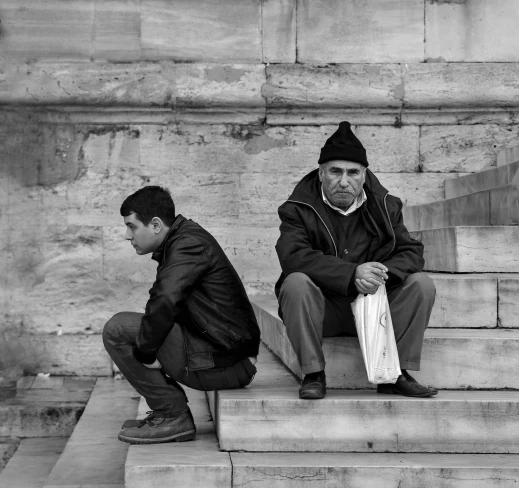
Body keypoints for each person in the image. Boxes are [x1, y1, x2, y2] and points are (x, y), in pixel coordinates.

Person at [275, 122, 437, 400]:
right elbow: (293, 257)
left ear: (364, 175)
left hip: (377, 307)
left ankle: (395, 373)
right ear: (321, 173)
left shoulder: (385, 205)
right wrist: (351, 274)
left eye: (353, 172)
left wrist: (378, 275)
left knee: (421, 284)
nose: (344, 181)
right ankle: (313, 373)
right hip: (325, 309)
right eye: (335, 171)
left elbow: (411, 252)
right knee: (295, 283)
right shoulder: (298, 209)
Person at [103, 185, 260, 444]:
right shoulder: (182, 241)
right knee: (136, 326)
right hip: (220, 355)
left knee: (117, 329)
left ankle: (171, 414)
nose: (127, 236)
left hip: (226, 363)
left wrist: (146, 353)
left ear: (155, 224)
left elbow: (164, 300)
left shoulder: (189, 244)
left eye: (131, 227)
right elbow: (165, 302)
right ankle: (168, 410)